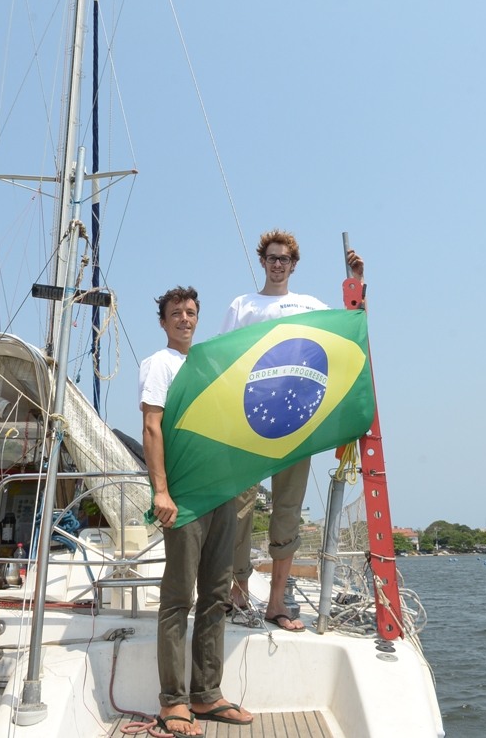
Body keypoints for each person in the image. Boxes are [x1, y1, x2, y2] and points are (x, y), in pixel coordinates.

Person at [221, 230, 364, 632]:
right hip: (246, 423)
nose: (278, 264)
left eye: (285, 259)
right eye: (271, 257)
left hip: (295, 423)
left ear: (294, 264)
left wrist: (356, 280)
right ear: (262, 261)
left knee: (287, 510)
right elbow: (223, 358)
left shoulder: (309, 305)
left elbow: (351, 325)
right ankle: (238, 593)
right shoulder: (242, 305)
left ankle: (278, 602)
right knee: (239, 511)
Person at [140, 286, 253, 737]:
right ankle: (173, 703)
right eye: (176, 314)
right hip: (184, 498)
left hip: (222, 492)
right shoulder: (159, 364)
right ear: (164, 322)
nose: (184, 319)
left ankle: (206, 694)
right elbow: (152, 427)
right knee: (178, 598)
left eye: (190, 313)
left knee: (215, 596)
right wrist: (161, 492)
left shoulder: (209, 365)